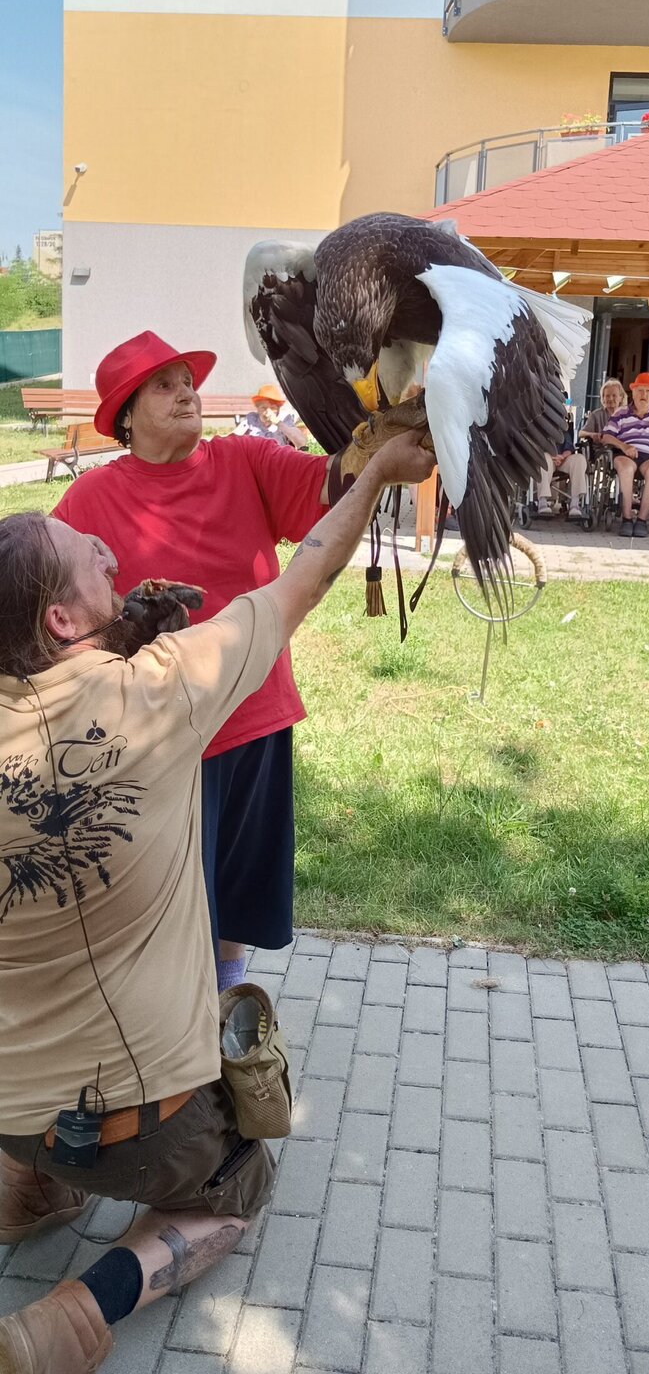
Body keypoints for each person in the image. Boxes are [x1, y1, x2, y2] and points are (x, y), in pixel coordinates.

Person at [0, 430, 434, 1374]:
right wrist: (373, 475)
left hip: (10, 1101)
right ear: (63, 621)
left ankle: (24, 1190)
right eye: (86, 555)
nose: (108, 549)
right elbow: (304, 574)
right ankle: (75, 1315)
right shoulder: (160, 695)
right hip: (141, 1130)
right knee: (238, 1187)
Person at [51, 333, 371, 993]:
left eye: (187, 382)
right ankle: (176, 1018)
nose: (186, 395)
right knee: (170, 888)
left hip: (253, 709)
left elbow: (331, 483)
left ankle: (227, 1006)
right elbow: (43, 598)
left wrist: (380, 443)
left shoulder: (244, 460)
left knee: (235, 882)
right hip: (156, 727)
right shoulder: (89, 500)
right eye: (164, 386)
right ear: (126, 415)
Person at [603, 372, 649, 538]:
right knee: (625, 468)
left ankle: (642, 520)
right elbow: (606, 436)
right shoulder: (621, 413)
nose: (644, 394)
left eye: (648, 391)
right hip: (626, 454)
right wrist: (623, 446)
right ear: (633, 392)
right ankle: (627, 518)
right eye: (640, 390)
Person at [535, 399, 587, 521]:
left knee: (579, 459)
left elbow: (569, 447)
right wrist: (553, 455)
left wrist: (562, 456)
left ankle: (575, 503)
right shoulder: (538, 424)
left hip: (562, 459)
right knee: (545, 459)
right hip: (547, 457)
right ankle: (543, 501)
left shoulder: (562, 425)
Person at [236, 383, 308, 450]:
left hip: (278, 457)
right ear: (257, 408)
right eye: (263, 408)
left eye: (272, 408)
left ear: (278, 409)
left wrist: (278, 423)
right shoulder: (251, 419)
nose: (268, 412)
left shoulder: (284, 419)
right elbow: (234, 437)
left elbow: (302, 442)